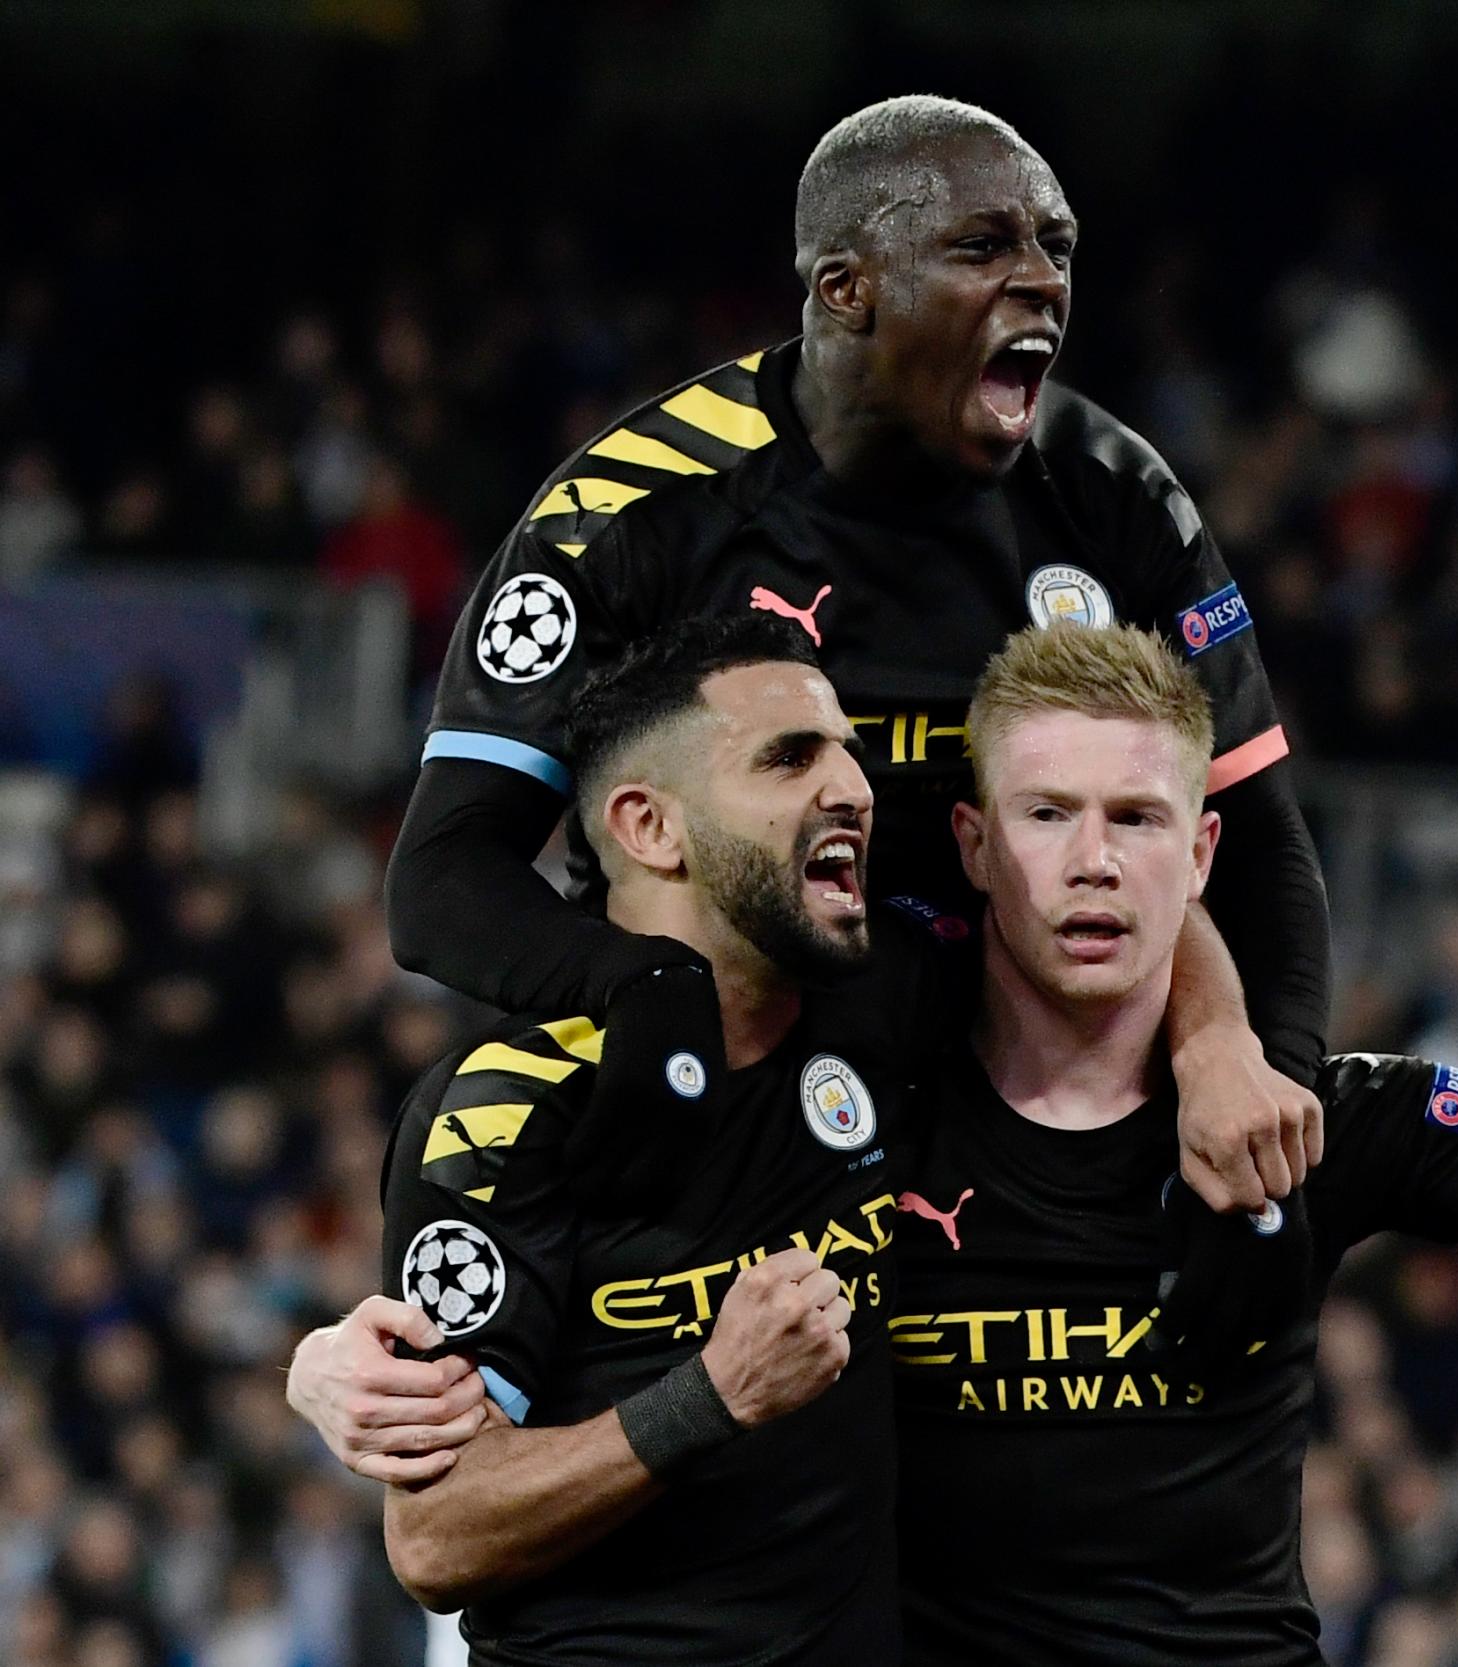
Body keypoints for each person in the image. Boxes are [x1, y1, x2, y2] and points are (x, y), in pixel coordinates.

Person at [302, 624, 1458, 1665]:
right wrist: (324, 1360)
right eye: (1048, 815)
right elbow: (540, 1268)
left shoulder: (1320, 1117)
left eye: (1138, 820)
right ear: (972, 845)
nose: (1095, 861)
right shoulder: (860, 1073)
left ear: (1203, 853)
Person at [394, 93, 1324, 1213]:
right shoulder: (632, 512)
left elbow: (1259, 842)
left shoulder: (1112, 493)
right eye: (983, 246)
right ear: (847, 288)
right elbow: (445, 873)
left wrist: (1265, 1118)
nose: (1043, 280)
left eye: (1057, 246)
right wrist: (646, 988)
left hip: (1015, 1104)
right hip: (710, 1101)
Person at [371, 616, 1001, 1663]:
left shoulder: (874, 1011)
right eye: (789, 757)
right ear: (650, 826)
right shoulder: (507, 1110)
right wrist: (710, 1395)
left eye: (847, 752)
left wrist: (1216, 1044)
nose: (853, 786)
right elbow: (435, 1536)